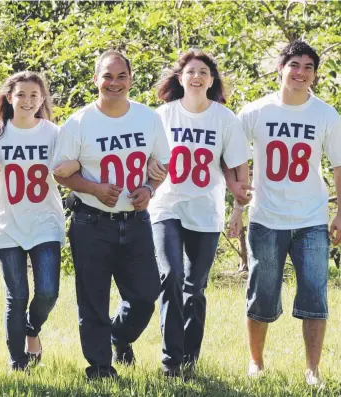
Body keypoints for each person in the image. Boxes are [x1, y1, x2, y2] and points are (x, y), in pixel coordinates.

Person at [52, 50, 171, 380]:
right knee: (93, 300)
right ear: (95, 80)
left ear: (131, 79)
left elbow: (163, 164)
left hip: (135, 221)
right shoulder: (78, 122)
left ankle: (118, 336)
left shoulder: (148, 118)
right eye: (107, 76)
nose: (114, 82)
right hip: (91, 222)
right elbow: (60, 173)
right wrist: (93, 189)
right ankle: (100, 368)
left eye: (121, 76)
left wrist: (149, 190)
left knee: (146, 295)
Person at [235, 40, 341, 386]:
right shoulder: (256, 111)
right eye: (294, 64)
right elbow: (231, 153)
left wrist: (339, 211)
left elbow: (339, 164)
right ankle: (256, 362)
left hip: (310, 218)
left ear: (314, 75)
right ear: (280, 68)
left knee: (314, 294)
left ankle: (313, 370)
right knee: (261, 293)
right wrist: (237, 198)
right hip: (266, 217)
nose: (301, 72)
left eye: (309, 67)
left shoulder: (325, 114)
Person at [0, 71, 80, 371]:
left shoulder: (54, 133)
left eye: (34, 95)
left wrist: (76, 163)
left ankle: (32, 330)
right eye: (21, 95)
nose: (27, 101)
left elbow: (75, 163)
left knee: (47, 291)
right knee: (16, 296)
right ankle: (18, 362)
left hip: (45, 223)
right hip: (7, 224)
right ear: (8, 97)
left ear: (42, 99)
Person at [147, 50, 251, 377]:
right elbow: (143, 157)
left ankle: (189, 360)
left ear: (211, 79)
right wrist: (149, 166)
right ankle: (170, 361)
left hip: (207, 211)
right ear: (180, 79)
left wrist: (238, 210)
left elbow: (239, 169)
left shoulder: (225, 119)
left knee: (195, 287)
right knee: (171, 277)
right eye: (191, 71)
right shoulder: (161, 116)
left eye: (203, 72)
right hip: (166, 207)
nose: (197, 76)